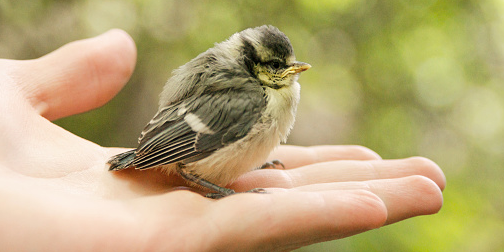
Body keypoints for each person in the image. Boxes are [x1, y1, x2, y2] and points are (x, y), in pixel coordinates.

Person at [0, 29, 445, 251]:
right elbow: (187, 148)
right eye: (277, 66)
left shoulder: (273, 91)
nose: (289, 73)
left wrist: (250, 164)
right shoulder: (250, 98)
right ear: (252, 63)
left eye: (287, 65)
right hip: (175, 150)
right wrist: (204, 183)